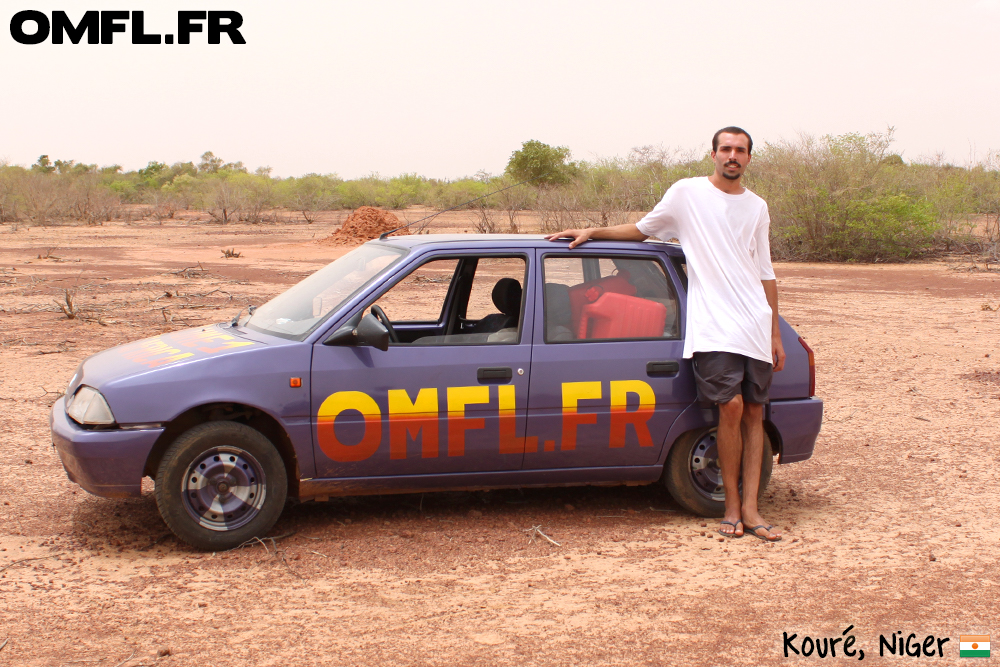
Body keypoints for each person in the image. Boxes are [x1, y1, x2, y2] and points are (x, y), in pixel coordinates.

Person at [544, 126, 785, 542]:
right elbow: (641, 229)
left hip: (753, 322)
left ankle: (751, 509)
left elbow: (765, 271)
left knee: (754, 413)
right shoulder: (687, 194)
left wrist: (774, 331)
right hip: (712, 325)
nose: (733, 156)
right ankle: (730, 505)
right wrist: (592, 233)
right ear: (712, 154)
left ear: (748, 158)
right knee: (729, 407)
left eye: (740, 150)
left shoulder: (757, 207)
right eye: (725, 149)